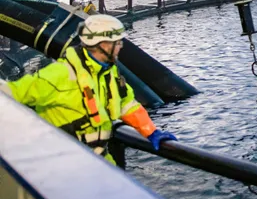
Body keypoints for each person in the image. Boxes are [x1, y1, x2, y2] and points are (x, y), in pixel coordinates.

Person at [0, 14, 176, 165]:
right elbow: (11, 95)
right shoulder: (58, 74)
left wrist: (152, 132)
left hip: (99, 161)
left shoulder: (110, 74)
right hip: (61, 165)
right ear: (103, 45)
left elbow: (127, 105)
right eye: (118, 42)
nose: (121, 46)